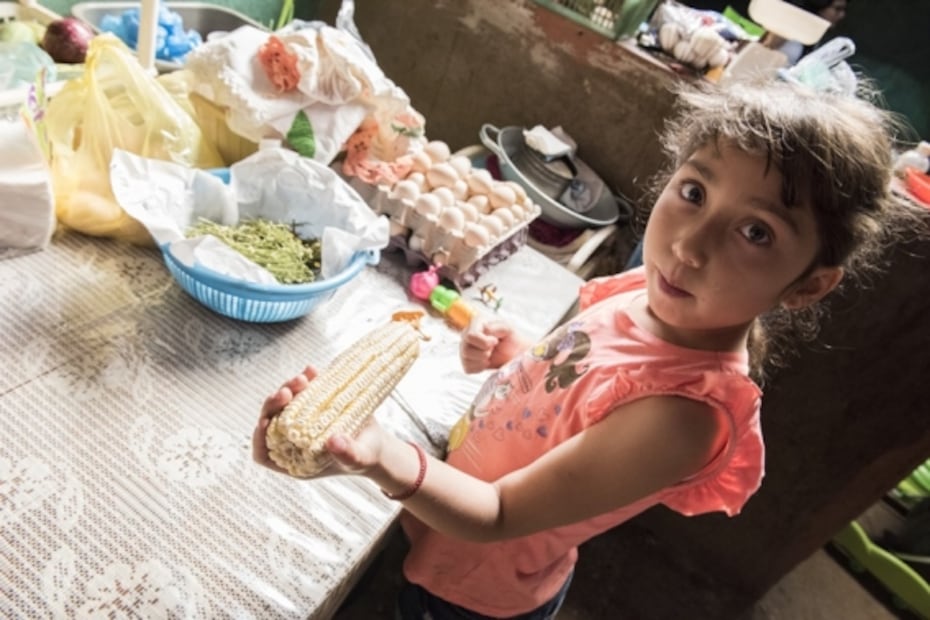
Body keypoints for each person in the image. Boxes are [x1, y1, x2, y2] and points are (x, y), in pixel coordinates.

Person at [253, 77, 924, 619]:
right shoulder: (648, 291)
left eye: (756, 232)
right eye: (694, 192)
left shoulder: (683, 417)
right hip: (448, 508)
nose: (688, 245)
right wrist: (518, 353)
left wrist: (380, 454)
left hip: (480, 585)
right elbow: (585, 371)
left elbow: (501, 513)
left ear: (808, 285)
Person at [767, 0, 850, 65]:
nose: (841, 15)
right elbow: (764, 47)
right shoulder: (788, 24)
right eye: (837, 9)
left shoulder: (813, 36)